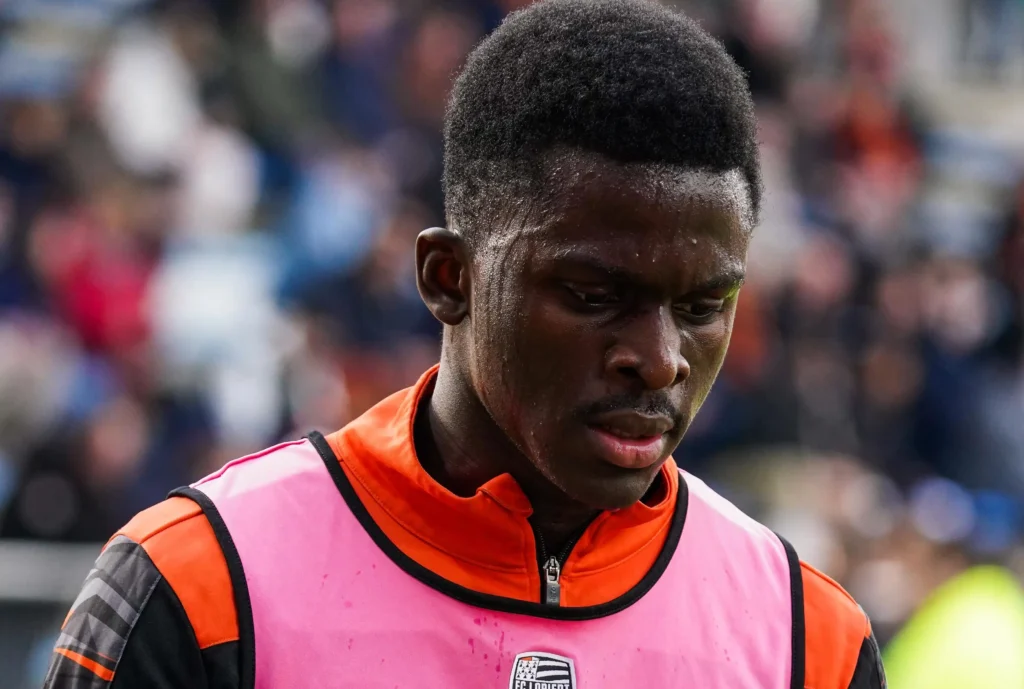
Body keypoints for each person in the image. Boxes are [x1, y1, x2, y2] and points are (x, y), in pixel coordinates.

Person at [44, 1, 886, 687]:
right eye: (594, 296)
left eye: (703, 306)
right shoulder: (201, 584)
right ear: (450, 278)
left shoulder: (806, 639)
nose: (660, 357)